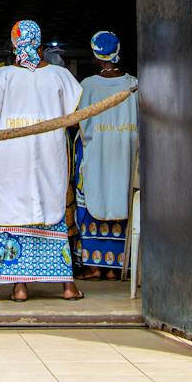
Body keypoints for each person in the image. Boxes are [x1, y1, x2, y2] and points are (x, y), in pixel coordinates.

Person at [0, 19, 84, 301]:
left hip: (10, 155)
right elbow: (73, 118)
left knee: (10, 210)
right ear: (39, 43)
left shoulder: (3, 77)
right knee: (53, 212)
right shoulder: (60, 76)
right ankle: (68, 287)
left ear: (14, 43)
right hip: (49, 154)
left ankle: (20, 287)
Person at [73, 30, 138, 281]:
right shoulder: (133, 84)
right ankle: (116, 267)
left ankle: (94, 266)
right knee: (123, 199)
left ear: (96, 55)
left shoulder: (87, 86)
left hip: (96, 157)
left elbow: (79, 124)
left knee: (93, 197)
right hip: (125, 158)